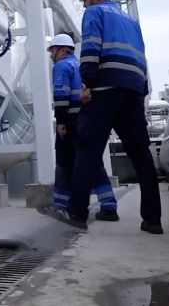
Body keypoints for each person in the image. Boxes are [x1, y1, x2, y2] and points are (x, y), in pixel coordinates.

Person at [63, 0, 163, 235]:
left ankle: (76, 213)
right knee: (141, 155)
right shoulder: (132, 21)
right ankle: (153, 220)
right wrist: (141, 91)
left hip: (105, 89)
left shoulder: (95, 13)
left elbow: (91, 49)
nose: (85, 5)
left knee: (87, 149)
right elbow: (142, 57)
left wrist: (87, 84)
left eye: (85, 0)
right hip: (133, 91)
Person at [39, 34, 119, 222]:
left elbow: (61, 94)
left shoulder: (61, 66)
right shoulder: (81, 66)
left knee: (65, 162)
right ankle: (109, 206)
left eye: (53, 50)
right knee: (92, 163)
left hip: (70, 121)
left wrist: (61, 121)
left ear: (63, 50)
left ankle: (60, 205)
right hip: (86, 119)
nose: (51, 55)